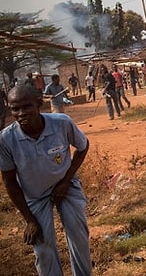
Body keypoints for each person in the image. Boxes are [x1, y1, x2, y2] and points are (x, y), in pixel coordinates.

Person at [0, 85, 92, 275]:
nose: (21, 113)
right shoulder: (6, 139)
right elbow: (9, 182)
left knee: (78, 236)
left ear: (39, 104)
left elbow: (83, 146)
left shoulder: (61, 123)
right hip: (35, 196)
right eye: (15, 109)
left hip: (66, 186)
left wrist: (66, 182)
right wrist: (29, 220)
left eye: (26, 107)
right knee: (43, 249)